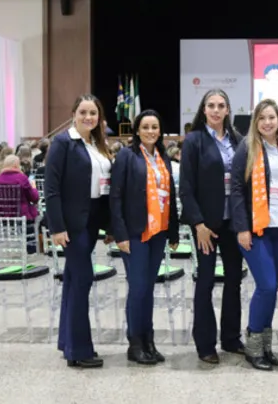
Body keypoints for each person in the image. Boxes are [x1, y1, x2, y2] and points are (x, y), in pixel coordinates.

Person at [229, 99, 278, 371]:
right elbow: (236, 189)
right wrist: (242, 228)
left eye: (272, 117)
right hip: (255, 230)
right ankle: (253, 345)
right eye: (262, 118)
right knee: (266, 285)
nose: (268, 122)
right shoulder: (246, 149)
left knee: (272, 289)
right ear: (255, 122)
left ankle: (265, 345)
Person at [178, 89, 246, 364]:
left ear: (228, 110)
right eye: (211, 105)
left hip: (234, 223)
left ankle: (231, 338)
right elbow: (186, 188)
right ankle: (205, 344)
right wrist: (198, 224)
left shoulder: (239, 141)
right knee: (205, 282)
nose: (216, 110)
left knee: (234, 281)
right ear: (203, 110)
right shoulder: (194, 141)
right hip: (207, 225)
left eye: (221, 106)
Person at [46, 94, 113, 369]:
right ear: (74, 113)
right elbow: (51, 189)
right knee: (83, 280)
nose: (88, 117)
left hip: (93, 221)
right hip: (72, 226)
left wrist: (109, 226)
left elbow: (104, 187)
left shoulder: (98, 144)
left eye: (93, 113)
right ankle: (80, 349)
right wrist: (57, 227)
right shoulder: (63, 143)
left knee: (74, 282)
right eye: (83, 112)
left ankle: (68, 343)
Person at [109, 109, 179, 366]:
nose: (150, 131)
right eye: (145, 127)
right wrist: (119, 233)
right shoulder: (127, 156)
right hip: (135, 233)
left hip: (158, 232)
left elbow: (170, 194)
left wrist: (172, 230)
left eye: (154, 127)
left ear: (160, 131)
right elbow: (115, 197)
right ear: (137, 130)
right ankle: (134, 342)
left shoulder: (163, 158)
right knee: (138, 288)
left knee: (148, 289)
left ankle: (148, 341)